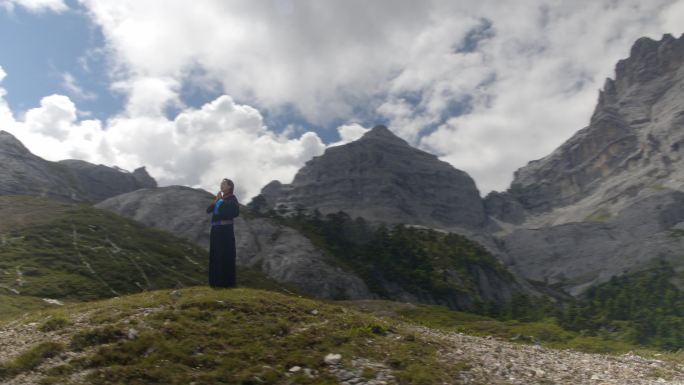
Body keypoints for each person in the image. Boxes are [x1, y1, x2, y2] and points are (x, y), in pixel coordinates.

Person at [205, 178, 240, 288]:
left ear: (229, 186)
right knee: (215, 255)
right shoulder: (220, 199)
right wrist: (216, 200)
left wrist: (220, 201)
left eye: (224, 184)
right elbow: (208, 210)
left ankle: (225, 283)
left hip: (225, 231)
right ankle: (215, 282)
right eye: (221, 183)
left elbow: (234, 212)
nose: (221, 185)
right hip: (216, 230)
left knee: (225, 254)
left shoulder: (232, 199)